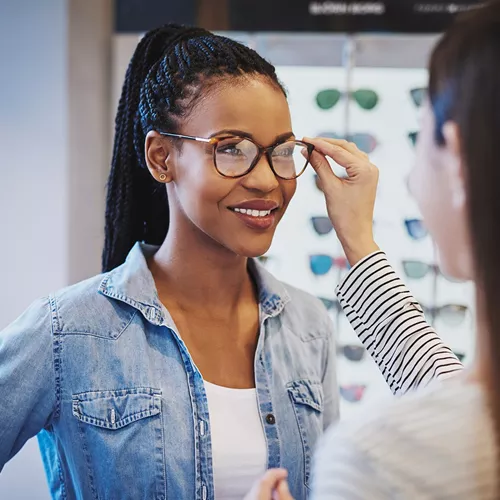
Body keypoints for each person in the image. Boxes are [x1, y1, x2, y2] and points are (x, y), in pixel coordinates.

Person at [0, 24, 460, 500]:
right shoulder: (67, 331)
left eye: (281, 152)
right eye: (231, 150)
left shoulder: (307, 326)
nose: (265, 180)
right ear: (162, 158)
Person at [304, 2, 500, 498]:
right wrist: (360, 243)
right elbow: (447, 387)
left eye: (419, 139)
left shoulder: (379, 462)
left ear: (455, 158)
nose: (413, 179)